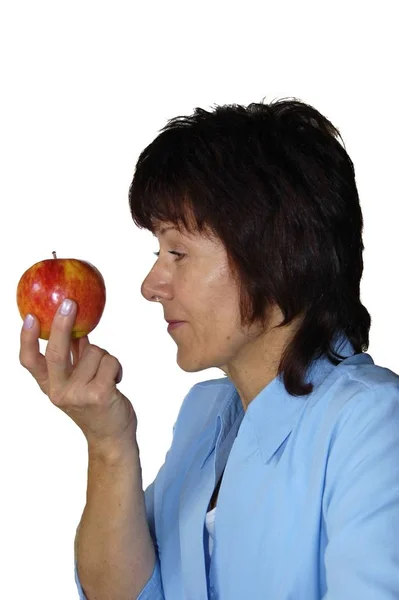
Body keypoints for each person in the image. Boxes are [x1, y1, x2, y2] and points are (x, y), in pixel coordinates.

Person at [19, 98, 399, 599]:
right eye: (158, 251)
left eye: (177, 252)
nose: (150, 285)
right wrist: (109, 443)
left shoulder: (372, 423)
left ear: (277, 258)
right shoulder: (205, 415)